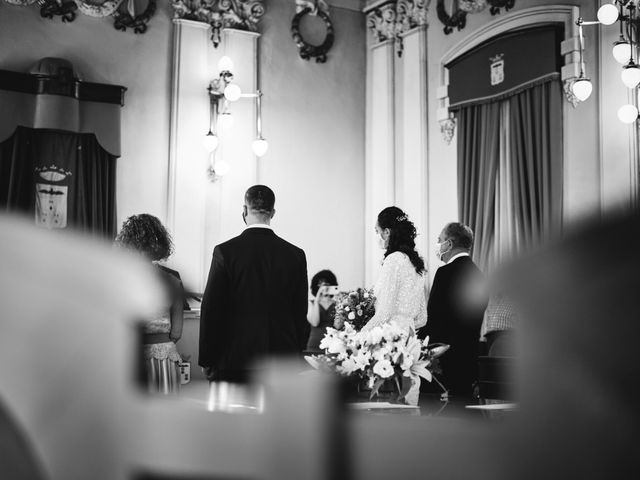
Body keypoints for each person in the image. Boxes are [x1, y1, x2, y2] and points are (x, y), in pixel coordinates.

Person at [199, 185, 309, 383]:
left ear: (244, 210)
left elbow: (211, 309)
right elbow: (300, 311)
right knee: (279, 415)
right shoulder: (295, 255)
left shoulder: (225, 252)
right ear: (273, 212)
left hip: (235, 358)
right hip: (282, 360)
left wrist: (207, 358)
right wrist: (296, 353)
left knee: (234, 413)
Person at [115, 214, 184, 394]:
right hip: (165, 357)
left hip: (131, 359)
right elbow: (177, 332)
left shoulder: (121, 280)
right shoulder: (172, 280)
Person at [421, 222, 488, 397]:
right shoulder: (479, 275)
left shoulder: (445, 273)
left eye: (439, 240)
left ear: (449, 244)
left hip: (444, 362)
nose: (438, 244)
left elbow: (433, 318)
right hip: (469, 359)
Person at [305, 270, 339, 354]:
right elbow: (315, 322)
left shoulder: (337, 304)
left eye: (327, 284)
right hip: (314, 345)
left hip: (333, 347)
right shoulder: (311, 303)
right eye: (320, 284)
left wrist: (340, 302)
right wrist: (317, 299)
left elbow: (338, 326)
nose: (324, 287)